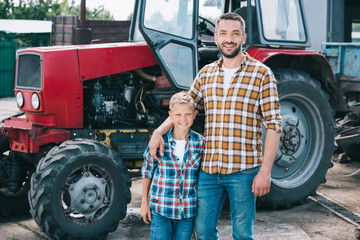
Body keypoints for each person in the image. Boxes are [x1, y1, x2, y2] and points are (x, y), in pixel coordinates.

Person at [148, 12, 281, 240]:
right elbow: (184, 109)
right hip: (209, 170)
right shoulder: (206, 74)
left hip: (244, 170)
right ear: (217, 38)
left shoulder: (262, 74)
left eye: (235, 34)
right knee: (203, 231)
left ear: (243, 37)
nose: (229, 39)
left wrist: (265, 171)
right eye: (223, 33)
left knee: (242, 233)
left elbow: (273, 125)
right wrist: (158, 132)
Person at [140, 91, 205, 240]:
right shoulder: (159, 141)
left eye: (188, 114)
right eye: (178, 115)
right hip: (161, 208)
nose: (183, 119)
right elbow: (147, 171)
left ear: (195, 114)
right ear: (170, 115)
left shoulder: (200, 143)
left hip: (186, 212)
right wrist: (144, 202)